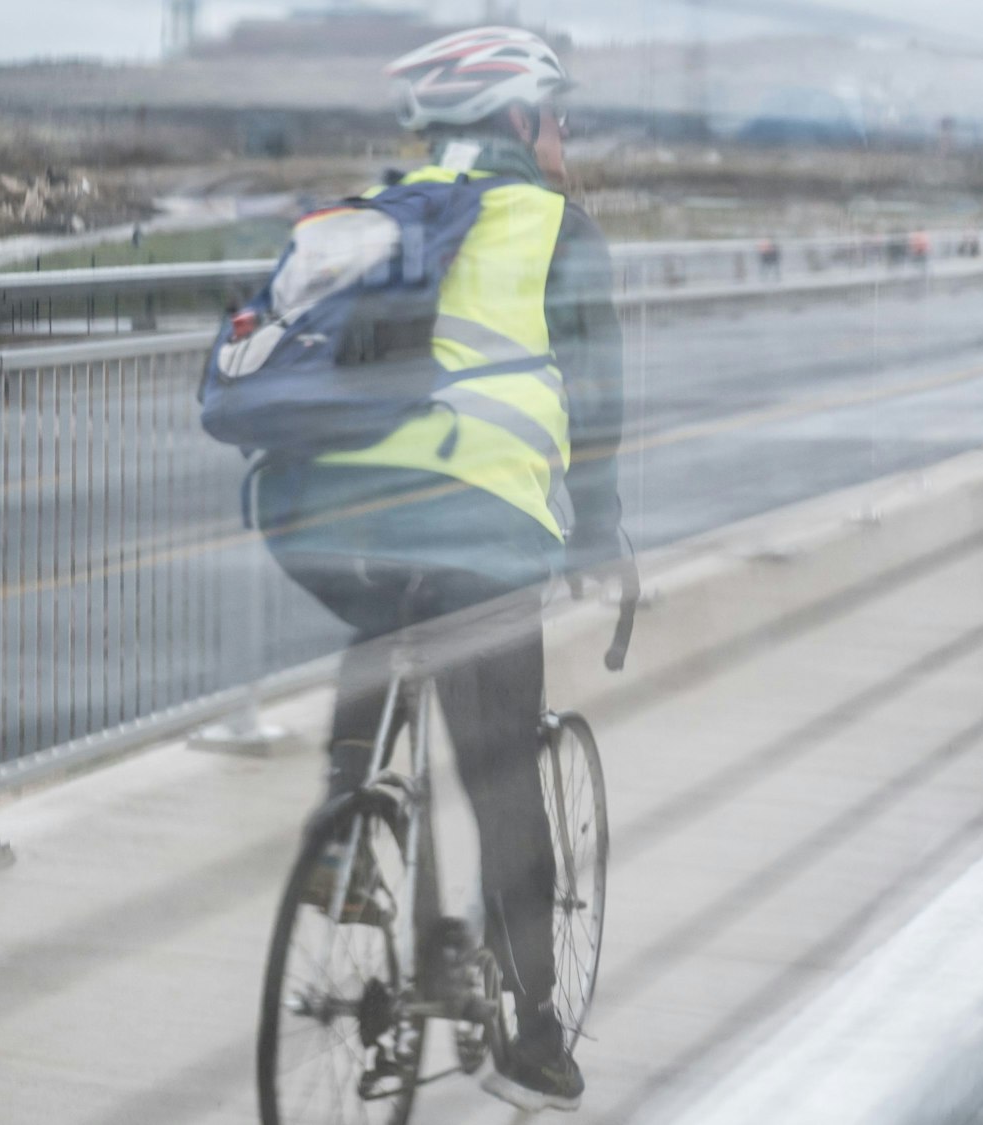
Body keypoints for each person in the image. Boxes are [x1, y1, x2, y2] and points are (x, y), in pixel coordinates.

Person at [251, 26, 626, 1112]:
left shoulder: (384, 213)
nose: (564, 137)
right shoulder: (556, 226)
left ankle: (345, 826)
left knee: (382, 606)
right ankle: (532, 1041)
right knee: (503, 775)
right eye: (556, 117)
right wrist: (599, 532)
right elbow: (596, 406)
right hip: (483, 530)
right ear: (516, 122)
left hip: (323, 518)